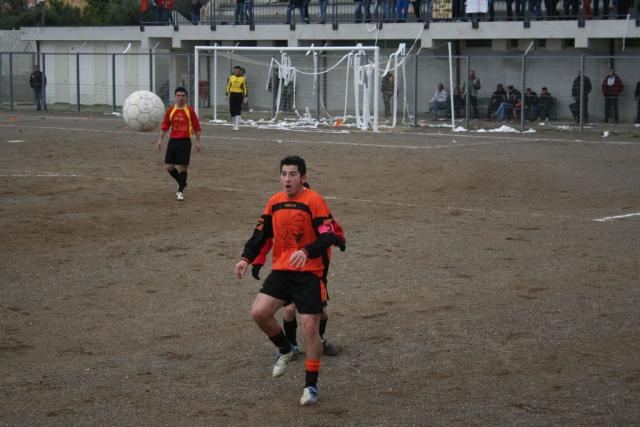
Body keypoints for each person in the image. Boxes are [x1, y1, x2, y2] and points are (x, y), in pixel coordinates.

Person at [234, 155, 342, 406]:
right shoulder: (275, 202)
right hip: (282, 270)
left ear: (303, 177)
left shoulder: (314, 201)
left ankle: (310, 386)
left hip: (309, 273)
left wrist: (306, 251)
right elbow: (261, 233)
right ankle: (286, 348)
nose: (287, 179)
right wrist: (246, 258)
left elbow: (329, 236)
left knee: (310, 328)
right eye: (284, 174)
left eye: (292, 174)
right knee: (259, 313)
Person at [251, 183, 345, 358]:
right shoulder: (281, 213)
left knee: (321, 313)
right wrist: (257, 260)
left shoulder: (316, 209)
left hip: (313, 272)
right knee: (289, 309)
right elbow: (266, 238)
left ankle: (319, 339)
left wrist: (340, 240)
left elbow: (333, 230)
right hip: (288, 271)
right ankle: (291, 346)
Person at [156, 87, 202, 201]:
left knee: (183, 167)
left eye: (183, 96)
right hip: (173, 141)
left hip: (185, 141)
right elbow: (165, 126)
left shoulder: (190, 111)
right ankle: (182, 183)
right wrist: (160, 140)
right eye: (178, 95)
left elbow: (197, 127)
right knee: (169, 167)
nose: (181, 98)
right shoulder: (171, 110)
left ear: (186, 97)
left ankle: (180, 191)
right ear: (175, 97)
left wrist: (198, 142)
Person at [226, 65, 248, 130]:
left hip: (239, 95)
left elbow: (245, 87)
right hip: (232, 94)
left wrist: (245, 96)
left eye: (238, 71)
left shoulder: (243, 78)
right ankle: (234, 124)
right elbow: (228, 85)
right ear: (234, 71)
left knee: (238, 109)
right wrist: (226, 93)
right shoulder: (231, 77)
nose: (237, 72)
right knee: (232, 110)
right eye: (235, 70)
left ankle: (237, 125)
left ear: (240, 71)